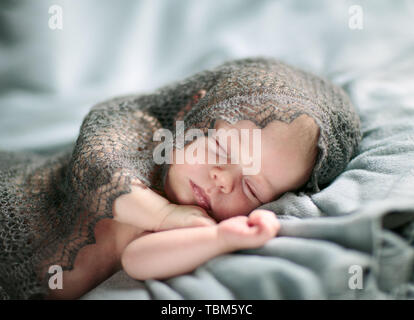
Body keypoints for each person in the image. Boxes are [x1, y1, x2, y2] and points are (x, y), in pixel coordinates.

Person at [0, 58, 362, 299]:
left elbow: (139, 260)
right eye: (221, 150)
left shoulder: (197, 212)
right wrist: (162, 216)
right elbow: (98, 168)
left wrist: (219, 239)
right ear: (194, 111)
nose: (222, 180)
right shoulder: (140, 131)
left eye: (252, 188)